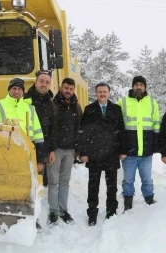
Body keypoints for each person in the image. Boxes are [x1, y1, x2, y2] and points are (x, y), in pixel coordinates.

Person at [79, 82, 127, 226]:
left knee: (112, 185)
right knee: (93, 185)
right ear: (96, 93)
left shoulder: (116, 109)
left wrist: (123, 150)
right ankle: (92, 211)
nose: (102, 94)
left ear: (109, 93)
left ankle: (111, 210)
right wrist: (83, 152)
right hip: (94, 154)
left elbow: (121, 131)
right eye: (99, 92)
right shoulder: (89, 109)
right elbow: (83, 133)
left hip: (111, 153)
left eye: (104, 91)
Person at [117, 76, 160, 210]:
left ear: (145, 87)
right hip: (128, 152)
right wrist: (120, 148)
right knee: (128, 180)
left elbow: (156, 126)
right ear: (132, 86)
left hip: (146, 152)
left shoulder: (152, 103)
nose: (138, 87)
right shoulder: (122, 102)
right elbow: (118, 127)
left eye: (141, 84)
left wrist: (155, 146)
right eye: (136, 84)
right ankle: (128, 202)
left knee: (147, 179)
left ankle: (149, 199)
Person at [0, 78, 46, 171]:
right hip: (6, 153)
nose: (17, 92)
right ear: (9, 90)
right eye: (14, 88)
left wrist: (40, 160)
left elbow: (38, 134)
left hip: (27, 153)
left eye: (20, 89)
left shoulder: (30, 108)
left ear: (23, 91)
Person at [47, 78, 82, 226]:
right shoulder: (53, 104)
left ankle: (63, 210)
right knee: (53, 182)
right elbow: (48, 128)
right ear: (61, 88)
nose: (68, 91)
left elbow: (79, 128)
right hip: (55, 150)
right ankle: (53, 211)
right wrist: (50, 149)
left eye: (71, 89)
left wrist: (77, 148)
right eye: (66, 88)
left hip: (69, 150)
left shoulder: (76, 106)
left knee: (64, 182)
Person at [24, 70, 56, 186]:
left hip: (42, 149)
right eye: (41, 81)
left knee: (39, 185)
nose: (44, 84)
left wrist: (51, 149)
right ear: (35, 82)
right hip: (24, 147)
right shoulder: (25, 100)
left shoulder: (50, 103)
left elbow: (51, 129)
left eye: (47, 82)